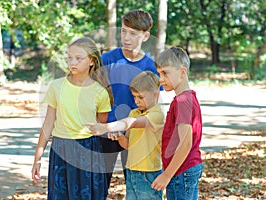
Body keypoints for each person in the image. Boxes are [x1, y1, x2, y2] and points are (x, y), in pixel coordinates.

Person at [31, 37, 113, 200]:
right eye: (69, 58)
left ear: (91, 61)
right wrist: (37, 159)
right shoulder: (56, 86)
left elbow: (100, 126)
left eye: (78, 58)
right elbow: (47, 125)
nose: (72, 62)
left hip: (89, 151)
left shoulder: (100, 92)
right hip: (61, 148)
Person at [101, 9, 160, 189]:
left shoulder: (151, 66)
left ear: (145, 36)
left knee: (136, 185)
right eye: (123, 31)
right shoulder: (106, 60)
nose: (126, 37)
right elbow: (94, 96)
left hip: (136, 134)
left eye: (133, 33)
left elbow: (154, 104)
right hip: (107, 132)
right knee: (99, 186)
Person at [86, 71, 165, 199]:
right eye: (134, 97)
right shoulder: (134, 113)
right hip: (131, 170)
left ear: (155, 95)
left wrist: (106, 127)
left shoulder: (157, 115)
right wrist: (120, 138)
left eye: (140, 97)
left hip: (149, 173)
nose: (136, 101)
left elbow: (132, 123)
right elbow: (128, 144)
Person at [151, 47, 204, 200]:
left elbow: (186, 143)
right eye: (159, 73)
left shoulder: (183, 101)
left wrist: (166, 175)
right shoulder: (186, 98)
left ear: (182, 71)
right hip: (183, 169)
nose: (160, 79)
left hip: (181, 171)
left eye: (165, 73)